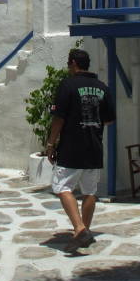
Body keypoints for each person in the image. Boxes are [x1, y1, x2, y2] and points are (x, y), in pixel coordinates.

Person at [46, 48, 115, 251]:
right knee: (89, 191)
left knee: (61, 187)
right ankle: (83, 231)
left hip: (72, 146)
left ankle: (78, 227)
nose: (68, 67)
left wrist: (51, 143)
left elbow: (59, 118)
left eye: (69, 64)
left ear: (74, 63)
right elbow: (109, 120)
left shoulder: (68, 85)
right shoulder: (102, 87)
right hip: (94, 146)